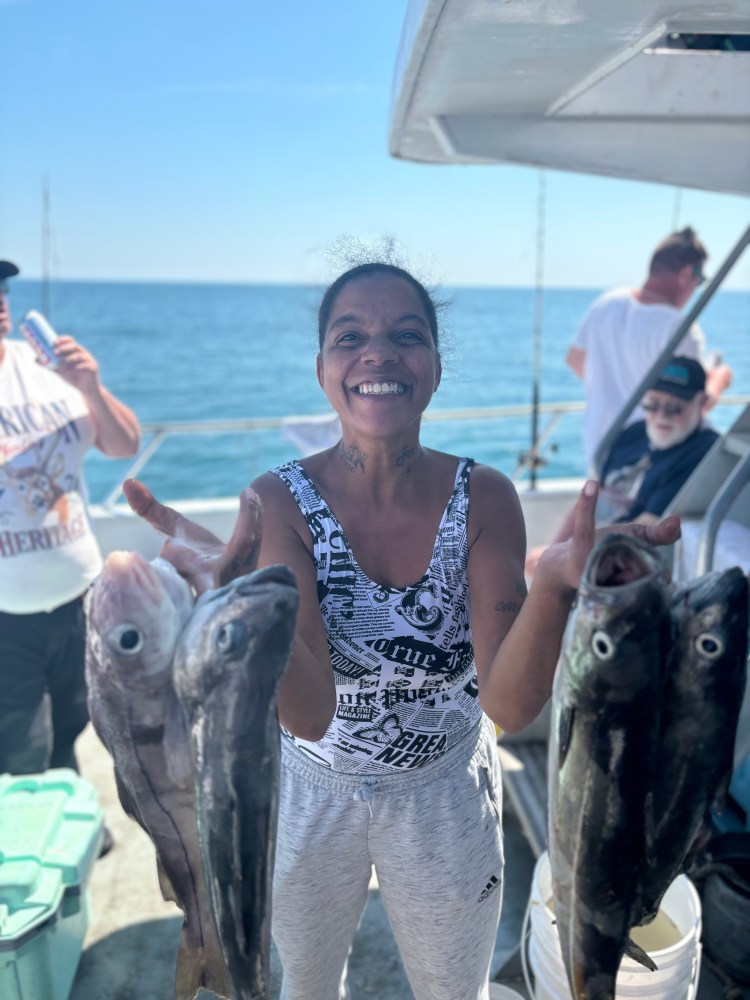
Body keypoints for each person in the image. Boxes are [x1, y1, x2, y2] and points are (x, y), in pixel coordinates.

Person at [123, 261, 680, 1000]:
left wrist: (553, 586)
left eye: (405, 335)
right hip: (310, 791)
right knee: (307, 984)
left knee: (456, 988)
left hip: (444, 791)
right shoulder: (275, 502)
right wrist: (253, 611)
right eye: (349, 336)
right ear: (322, 369)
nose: (377, 353)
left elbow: (510, 708)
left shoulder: (484, 496)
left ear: (437, 368)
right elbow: (310, 714)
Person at [0, 258, 141, 785]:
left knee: (72, 722)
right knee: (20, 746)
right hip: (6, 614)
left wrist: (90, 383)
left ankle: (69, 820)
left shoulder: (45, 367)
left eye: (2, 287)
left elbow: (123, 442)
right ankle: (44, 856)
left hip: (80, 597)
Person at [526, 355, 718, 578]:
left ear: (703, 403)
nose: (661, 416)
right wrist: (554, 550)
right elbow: (590, 502)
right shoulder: (633, 433)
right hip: (584, 553)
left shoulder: (704, 453)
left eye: (675, 408)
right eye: (652, 404)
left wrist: (566, 557)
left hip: (622, 566)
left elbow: (647, 530)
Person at [566, 226, 732, 472]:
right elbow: (694, 403)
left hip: (599, 451)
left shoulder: (609, 302)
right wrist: (719, 379)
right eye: (699, 280)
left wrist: (615, 385)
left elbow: (574, 359)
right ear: (687, 274)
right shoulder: (679, 328)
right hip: (646, 458)